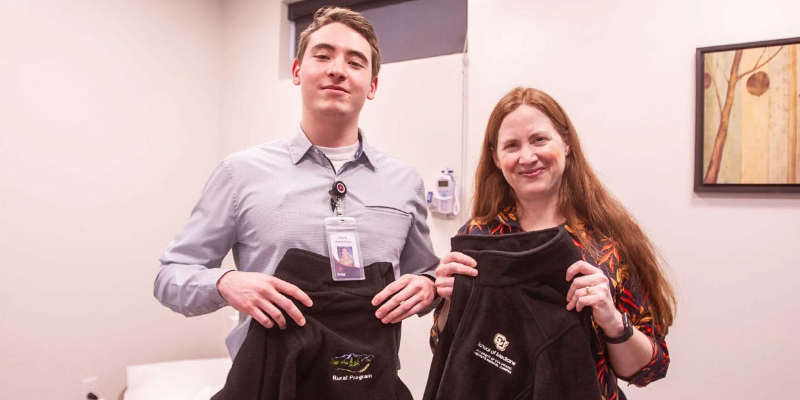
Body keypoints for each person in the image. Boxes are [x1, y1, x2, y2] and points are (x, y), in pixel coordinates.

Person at [154, 6, 438, 360]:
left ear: (373, 86)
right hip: (267, 383)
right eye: (323, 56)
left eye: (355, 62)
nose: (337, 69)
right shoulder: (239, 172)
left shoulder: (404, 181)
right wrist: (224, 282)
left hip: (369, 382)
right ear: (297, 71)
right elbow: (169, 277)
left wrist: (429, 287)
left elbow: (426, 273)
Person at [431, 87, 675, 398]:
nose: (527, 157)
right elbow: (443, 347)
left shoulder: (609, 244)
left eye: (539, 140)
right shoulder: (478, 238)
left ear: (567, 142)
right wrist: (450, 302)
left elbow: (650, 369)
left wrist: (612, 320)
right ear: (496, 158)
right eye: (511, 145)